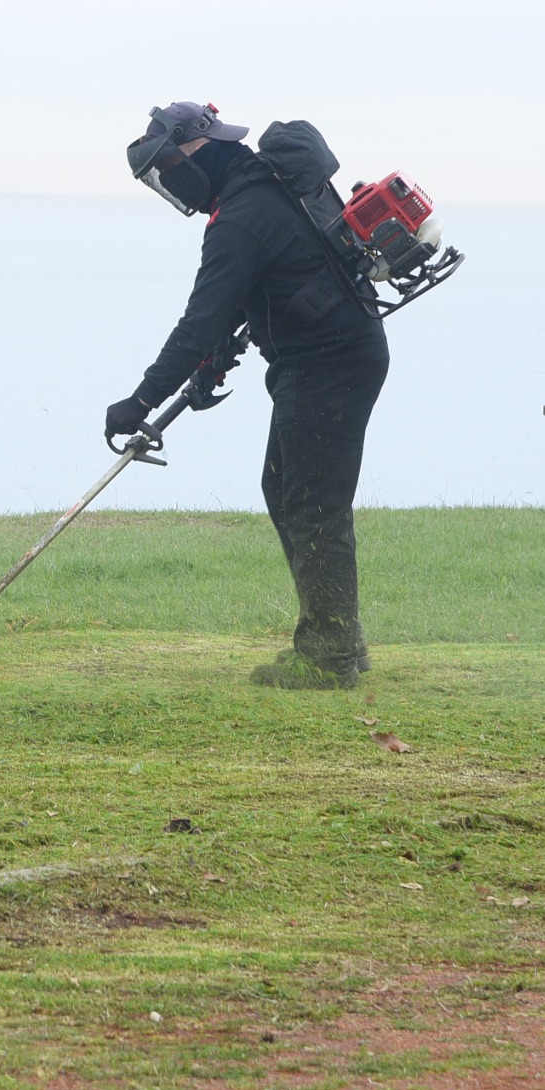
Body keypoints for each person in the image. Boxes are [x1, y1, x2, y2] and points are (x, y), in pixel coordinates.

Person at [107, 101, 389, 689]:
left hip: (326, 363)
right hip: (336, 354)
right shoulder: (264, 186)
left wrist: (141, 401)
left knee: (312, 504)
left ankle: (330, 656)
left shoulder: (239, 218)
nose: (170, 185)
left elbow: (199, 321)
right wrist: (210, 364)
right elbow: (263, 286)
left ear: (198, 151)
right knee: (285, 489)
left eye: (169, 169)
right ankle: (339, 636)